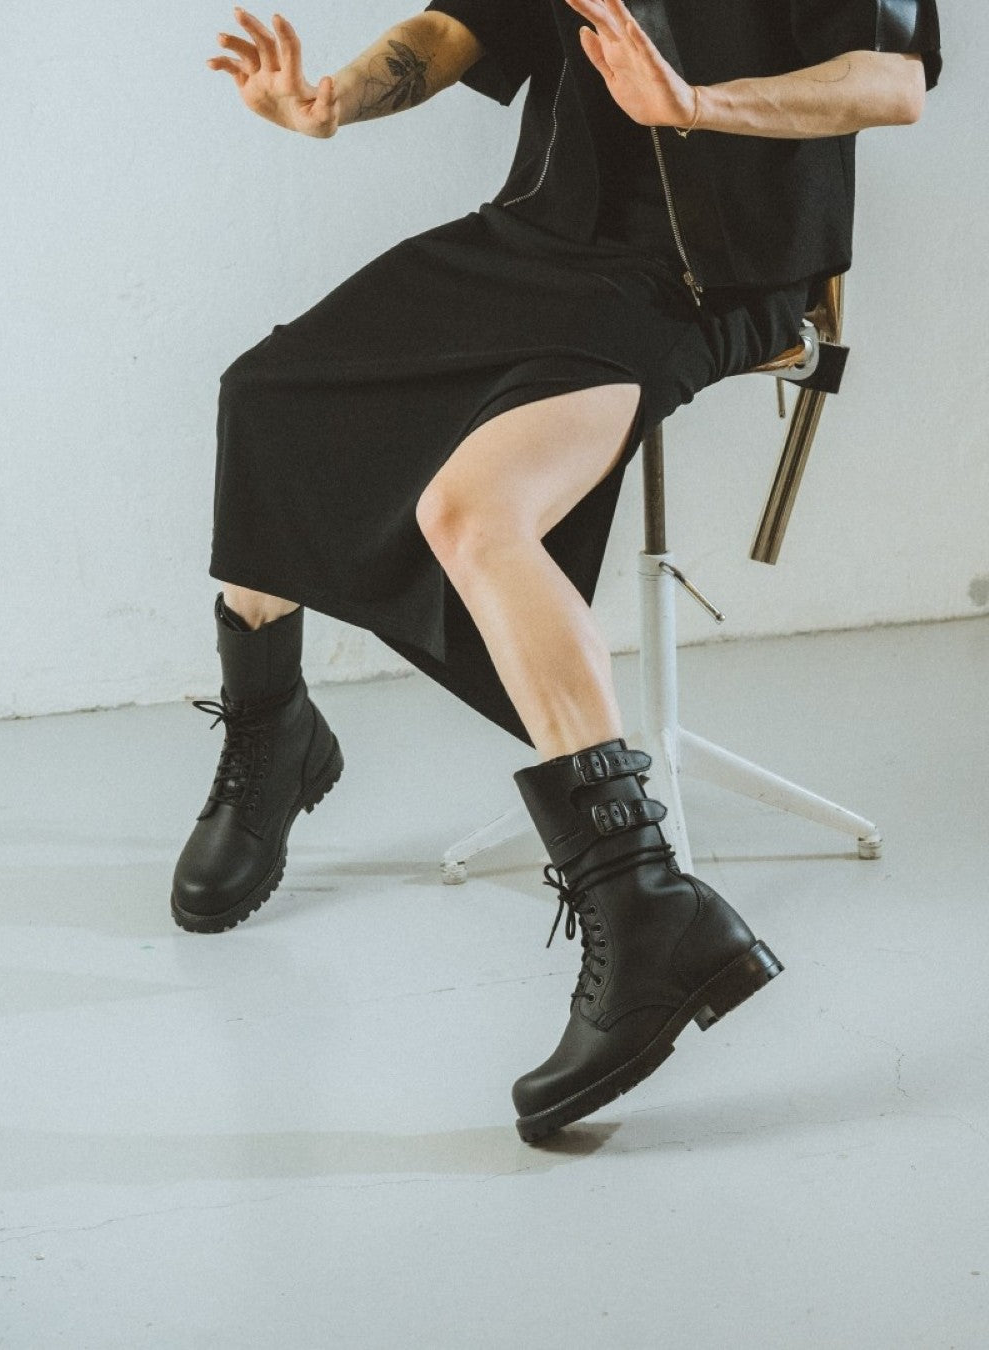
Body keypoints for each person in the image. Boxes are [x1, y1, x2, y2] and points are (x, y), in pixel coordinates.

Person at [171, 1, 942, 1143]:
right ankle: (272, 732)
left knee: (474, 516)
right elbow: (458, 29)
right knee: (269, 396)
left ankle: (645, 912)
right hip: (543, 239)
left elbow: (895, 82)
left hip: (707, 277)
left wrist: (696, 108)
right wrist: (332, 98)